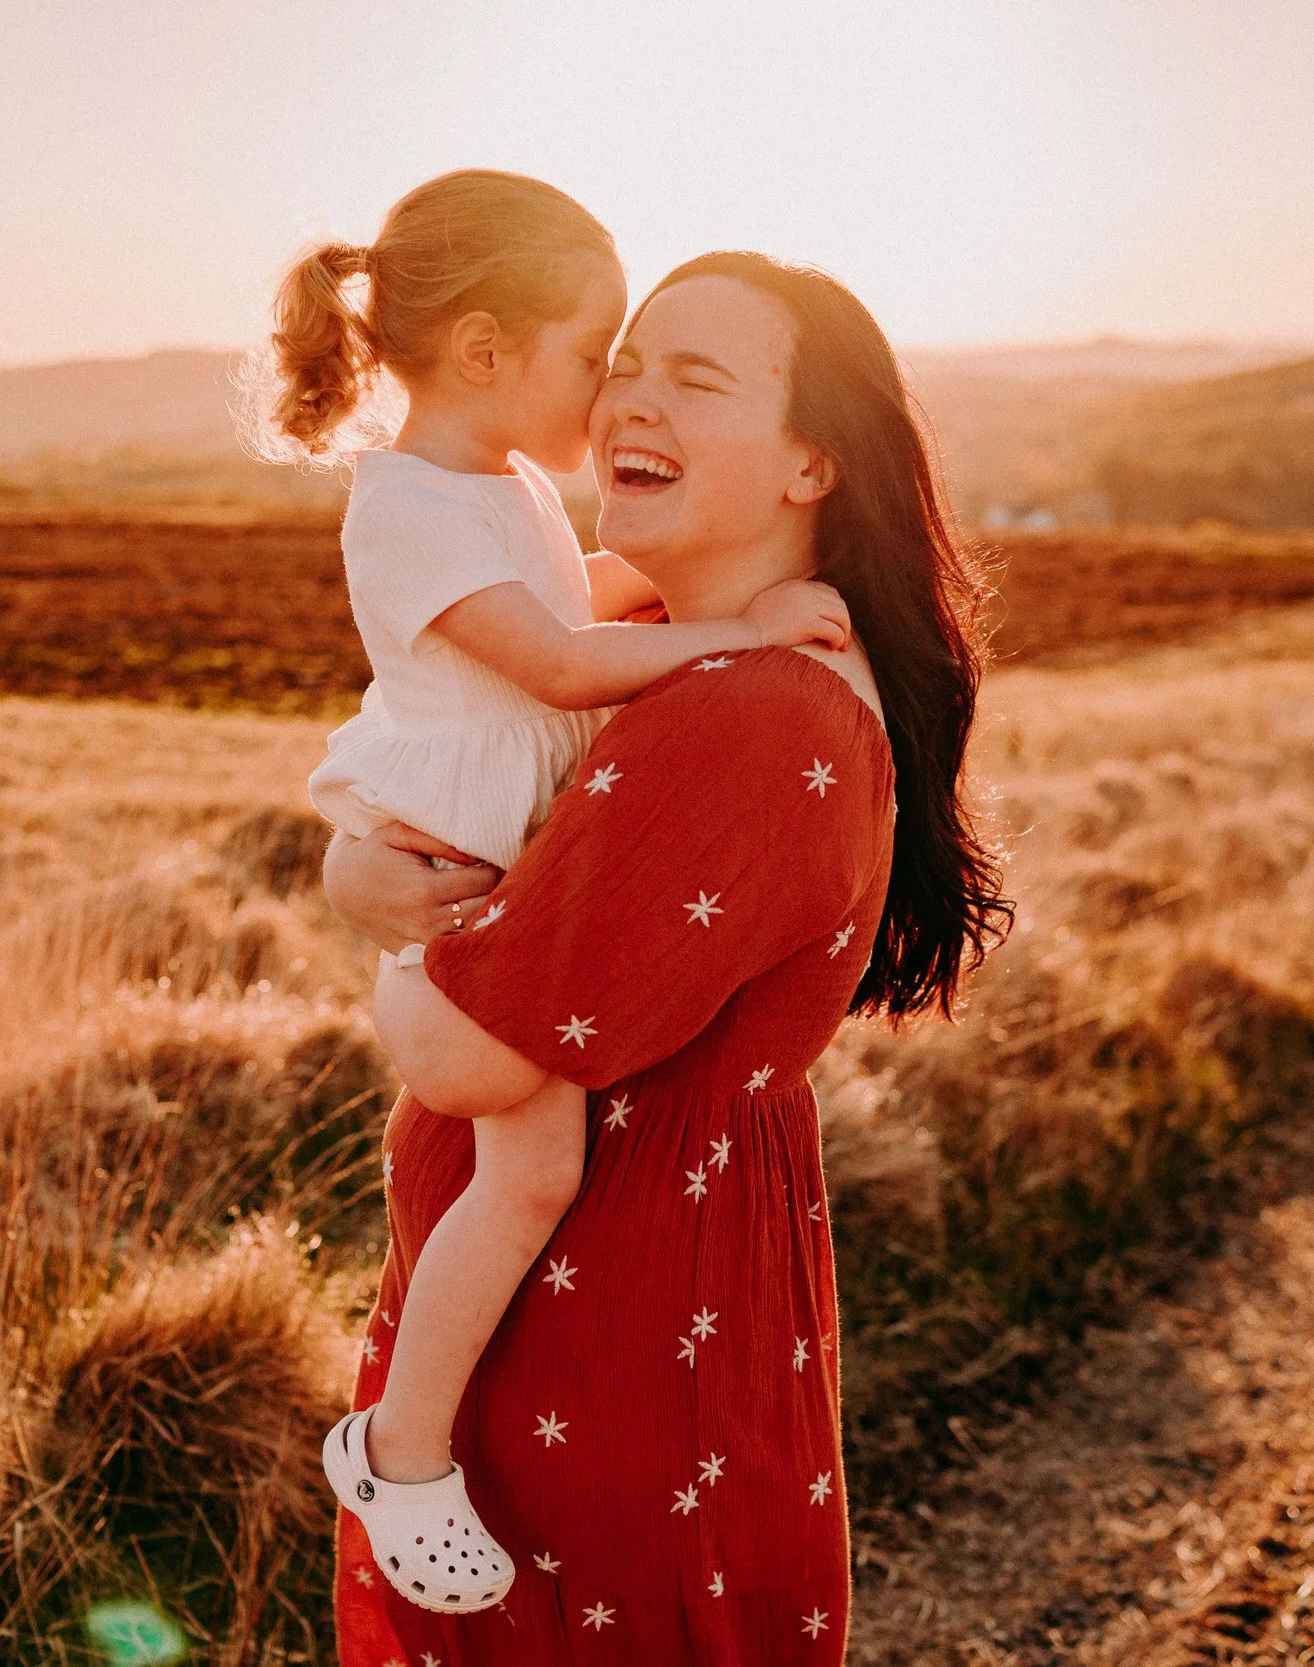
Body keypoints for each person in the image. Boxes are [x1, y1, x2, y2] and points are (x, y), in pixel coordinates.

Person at [321, 250, 1013, 1662]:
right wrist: (359, 865)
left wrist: (398, 921)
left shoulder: (753, 714)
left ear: (813, 463)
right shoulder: (659, 638)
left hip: (615, 1376)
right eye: (626, 362)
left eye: (697, 378)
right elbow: (444, 769)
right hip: (587, 1348)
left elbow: (465, 1046)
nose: (631, 397)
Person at [257, 171, 851, 1613]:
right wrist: (740, 632)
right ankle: (400, 1447)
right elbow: (565, 662)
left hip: (485, 885)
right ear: (480, 353)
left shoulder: (501, 483)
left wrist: (680, 615)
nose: (608, 400)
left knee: (531, 1166)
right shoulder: (403, 504)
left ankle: (409, 1433)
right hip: (469, 885)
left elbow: (573, 603)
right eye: (598, 358)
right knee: (534, 1170)